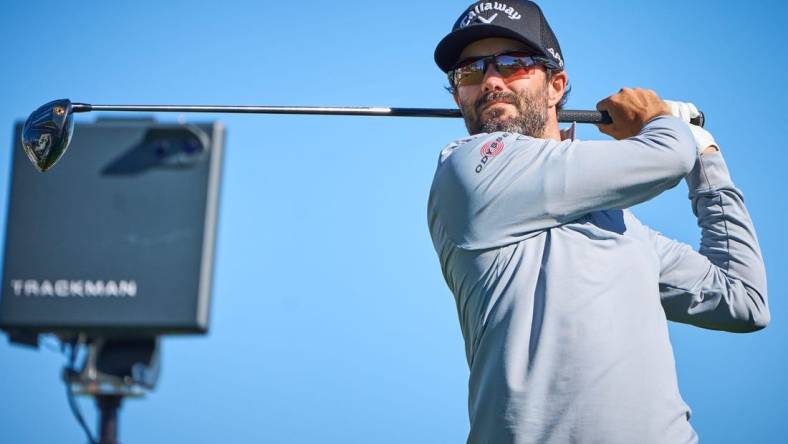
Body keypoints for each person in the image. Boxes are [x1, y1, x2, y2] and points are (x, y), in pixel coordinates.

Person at [427, 1, 769, 443]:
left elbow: (742, 300)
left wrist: (706, 156)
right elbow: (667, 155)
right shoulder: (468, 168)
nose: (491, 81)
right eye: (469, 73)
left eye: (512, 64)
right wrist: (664, 123)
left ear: (556, 86)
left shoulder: (625, 231)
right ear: (459, 96)